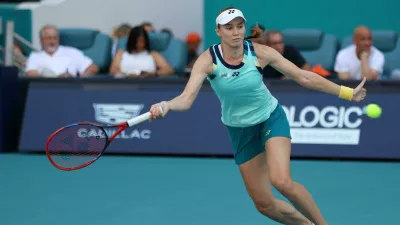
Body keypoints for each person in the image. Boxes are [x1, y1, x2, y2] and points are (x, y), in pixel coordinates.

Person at [149, 7, 366, 225]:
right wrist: (166, 105)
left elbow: (304, 77)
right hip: (240, 130)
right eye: (229, 27)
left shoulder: (260, 52)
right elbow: (186, 99)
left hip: (270, 118)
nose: (235, 32)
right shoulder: (207, 60)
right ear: (218, 31)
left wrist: (347, 92)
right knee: (264, 204)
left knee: (281, 181)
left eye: (239, 26)